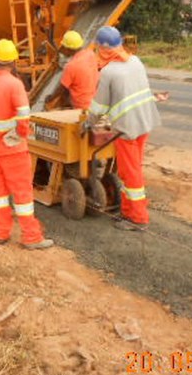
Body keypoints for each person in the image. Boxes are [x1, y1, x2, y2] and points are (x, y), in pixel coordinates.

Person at [0, 39, 53, 249]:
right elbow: (23, 118)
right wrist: (20, 136)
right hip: (12, 150)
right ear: (13, 62)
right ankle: (31, 237)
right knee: (22, 194)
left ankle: (1, 233)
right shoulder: (14, 84)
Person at [87, 26, 164, 231]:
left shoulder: (109, 72)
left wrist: (88, 122)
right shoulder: (135, 60)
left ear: (102, 49)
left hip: (127, 129)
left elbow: (99, 107)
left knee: (130, 173)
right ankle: (128, 211)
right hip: (144, 122)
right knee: (132, 168)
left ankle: (138, 219)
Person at [44, 30, 99, 110]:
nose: (62, 50)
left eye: (63, 47)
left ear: (68, 49)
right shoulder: (90, 54)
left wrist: (50, 98)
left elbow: (62, 88)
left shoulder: (71, 66)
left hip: (81, 106)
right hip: (94, 101)